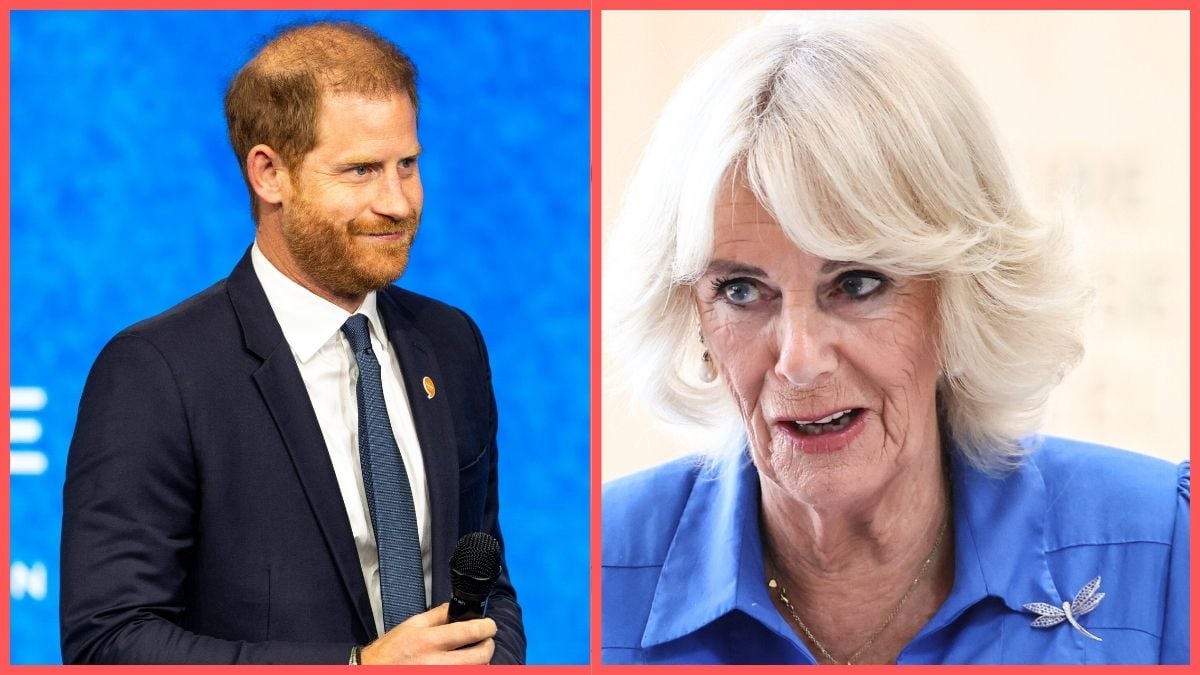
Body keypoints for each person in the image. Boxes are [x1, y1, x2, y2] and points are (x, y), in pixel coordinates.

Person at [601, 16, 1188, 665]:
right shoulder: (591, 569)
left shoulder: (1160, 552)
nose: (798, 360)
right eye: (741, 290)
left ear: (961, 297)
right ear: (697, 322)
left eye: (856, 282)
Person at [60, 21, 524, 665]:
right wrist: (355, 668)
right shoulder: (156, 372)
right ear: (270, 172)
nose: (397, 201)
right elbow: (110, 641)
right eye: (360, 170)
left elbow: (484, 580)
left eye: (407, 165)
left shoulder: (451, 343)